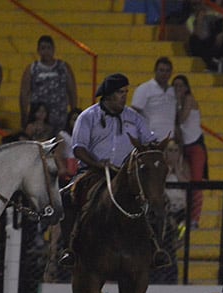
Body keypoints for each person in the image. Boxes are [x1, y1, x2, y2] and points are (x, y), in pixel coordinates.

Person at [57, 73, 156, 267]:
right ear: (109, 94)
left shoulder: (134, 117)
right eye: (120, 92)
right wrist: (98, 164)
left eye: (126, 92)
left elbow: (149, 140)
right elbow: (78, 148)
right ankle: (69, 247)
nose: (124, 96)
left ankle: (155, 248)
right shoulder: (87, 117)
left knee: (156, 199)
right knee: (66, 198)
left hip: (126, 175)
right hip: (93, 172)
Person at [19, 35, 78, 134]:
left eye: (49, 48)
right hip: (39, 117)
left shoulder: (64, 67)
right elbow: (24, 93)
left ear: (54, 49)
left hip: (60, 114)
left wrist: (73, 111)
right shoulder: (32, 69)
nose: (46, 51)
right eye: (43, 48)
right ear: (38, 50)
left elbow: (72, 90)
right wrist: (24, 114)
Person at [172, 74, 207, 230]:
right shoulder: (175, 103)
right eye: (175, 86)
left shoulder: (188, 99)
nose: (178, 89)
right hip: (183, 147)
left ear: (186, 88)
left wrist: (177, 101)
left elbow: (182, 119)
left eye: (181, 86)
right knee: (183, 178)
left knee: (196, 182)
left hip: (195, 147)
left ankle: (195, 218)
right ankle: (183, 215)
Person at [131, 57, 176, 142]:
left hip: (170, 140)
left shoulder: (173, 91)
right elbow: (134, 113)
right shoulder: (144, 89)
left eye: (167, 71)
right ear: (155, 71)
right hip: (151, 140)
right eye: (161, 70)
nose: (164, 74)